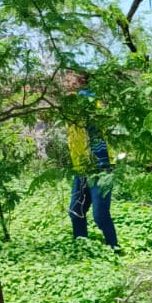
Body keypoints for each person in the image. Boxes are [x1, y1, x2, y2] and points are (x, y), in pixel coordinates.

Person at [63, 71, 119, 251]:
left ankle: (114, 248)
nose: (65, 81)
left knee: (100, 215)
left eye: (69, 78)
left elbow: (98, 123)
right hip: (81, 168)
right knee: (76, 212)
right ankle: (82, 248)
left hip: (99, 167)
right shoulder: (69, 104)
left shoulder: (89, 101)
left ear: (81, 81)